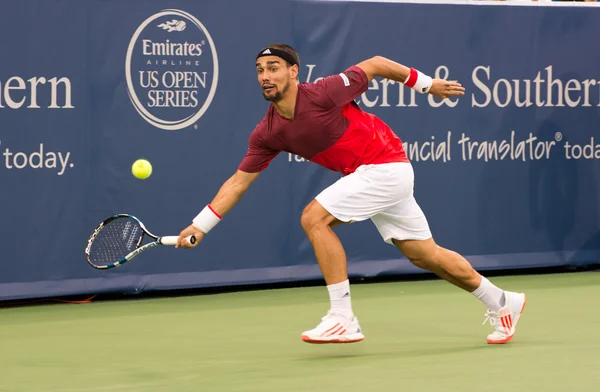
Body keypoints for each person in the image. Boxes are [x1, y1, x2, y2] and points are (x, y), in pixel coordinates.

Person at [176, 43, 526, 345]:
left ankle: (343, 316)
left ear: (294, 71)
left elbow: (374, 64)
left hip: (385, 165)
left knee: (314, 218)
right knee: (424, 254)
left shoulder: (324, 92)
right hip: (372, 174)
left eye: (274, 68)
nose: (265, 76)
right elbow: (238, 182)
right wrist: (200, 226)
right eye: (260, 70)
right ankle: (501, 301)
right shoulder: (268, 132)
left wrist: (428, 85)